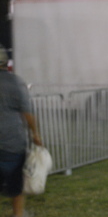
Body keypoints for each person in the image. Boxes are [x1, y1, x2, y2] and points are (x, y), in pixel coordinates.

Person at [0, 44, 42, 217]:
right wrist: (35, 134)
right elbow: (27, 113)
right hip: (11, 143)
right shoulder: (14, 82)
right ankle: (18, 214)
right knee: (16, 184)